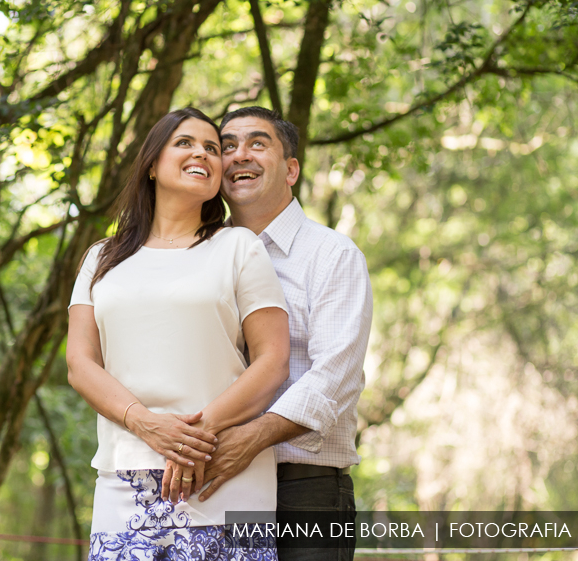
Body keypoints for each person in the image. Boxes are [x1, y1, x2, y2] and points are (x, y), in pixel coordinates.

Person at [67, 107, 291, 560]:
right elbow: (80, 363)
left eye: (212, 148)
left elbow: (274, 360)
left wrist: (193, 440)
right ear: (152, 164)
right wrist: (146, 424)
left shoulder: (237, 247)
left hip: (224, 475)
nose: (203, 154)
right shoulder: (101, 258)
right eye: (185, 143)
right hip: (123, 476)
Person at [192, 106, 373, 561]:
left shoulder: (331, 254)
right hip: (218, 481)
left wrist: (252, 438)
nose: (239, 156)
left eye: (257, 143)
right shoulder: (198, 257)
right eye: (227, 146)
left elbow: (336, 377)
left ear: (290, 169)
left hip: (303, 487)